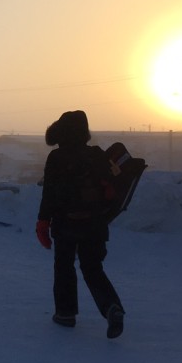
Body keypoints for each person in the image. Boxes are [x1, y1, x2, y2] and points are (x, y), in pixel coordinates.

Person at [35, 110, 126, 338]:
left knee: (64, 266)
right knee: (93, 269)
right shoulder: (97, 155)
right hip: (94, 223)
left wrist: (43, 222)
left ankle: (65, 314)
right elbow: (111, 191)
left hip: (65, 223)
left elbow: (49, 194)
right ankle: (111, 307)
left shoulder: (56, 158)